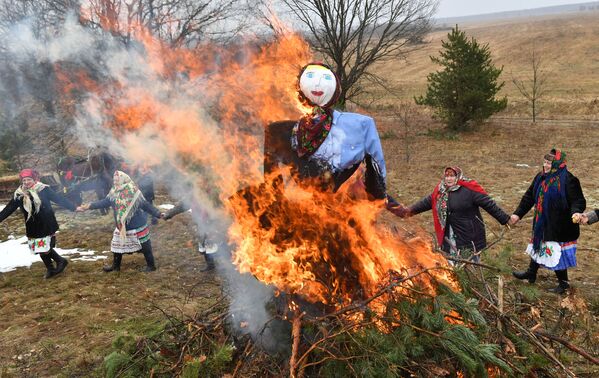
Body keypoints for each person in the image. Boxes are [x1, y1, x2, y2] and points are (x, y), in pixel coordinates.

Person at [264, 62, 399, 207]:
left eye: (325, 79)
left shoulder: (361, 125)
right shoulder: (281, 132)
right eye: (310, 77)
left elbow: (375, 165)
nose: (318, 83)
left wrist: (378, 194)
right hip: (307, 195)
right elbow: (269, 173)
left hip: (342, 200)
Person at [393, 167, 510, 262]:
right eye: (447, 176)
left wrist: (505, 219)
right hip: (449, 235)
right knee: (451, 262)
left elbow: (489, 205)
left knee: (470, 263)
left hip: (469, 236)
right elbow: (424, 203)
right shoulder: (440, 191)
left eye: (452, 176)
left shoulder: (470, 189)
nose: (449, 178)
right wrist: (407, 212)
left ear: (458, 176)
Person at [510, 149, 586, 294]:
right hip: (542, 222)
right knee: (538, 245)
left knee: (557, 253)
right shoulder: (541, 177)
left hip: (561, 225)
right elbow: (528, 197)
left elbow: (578, 200)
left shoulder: (568, 180)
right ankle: (531, 273)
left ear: (558, 164)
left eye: (549, 163)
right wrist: (518, 214)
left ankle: (563, 284)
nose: (545, 165)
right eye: (544, 162)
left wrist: (576, 212)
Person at [77, 171, 163, 272]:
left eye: (117, 180)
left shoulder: (133, 191)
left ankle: (151, 266)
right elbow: (105, 202)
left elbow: (145, 205)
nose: (115, 182)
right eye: (114, 180)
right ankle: (115, 266)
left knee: (145, 247)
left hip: (137, 225)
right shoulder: (114, 190)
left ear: (123, 179)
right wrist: (89, 206)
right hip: (122, 226)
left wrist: (157, 213)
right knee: (117, 247)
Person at [0, 169, 77, 278]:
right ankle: (51, 268)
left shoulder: (43, 189)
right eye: (24, 180)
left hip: (46, 222)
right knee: (39, 247)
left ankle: (60, 261)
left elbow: (58, 199)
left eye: (29, 179)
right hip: (32, 225)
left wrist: (74, 207)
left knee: (45, 247)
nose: (26, 182)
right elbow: (9, 208)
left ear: (35, 179)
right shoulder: (20, 194)